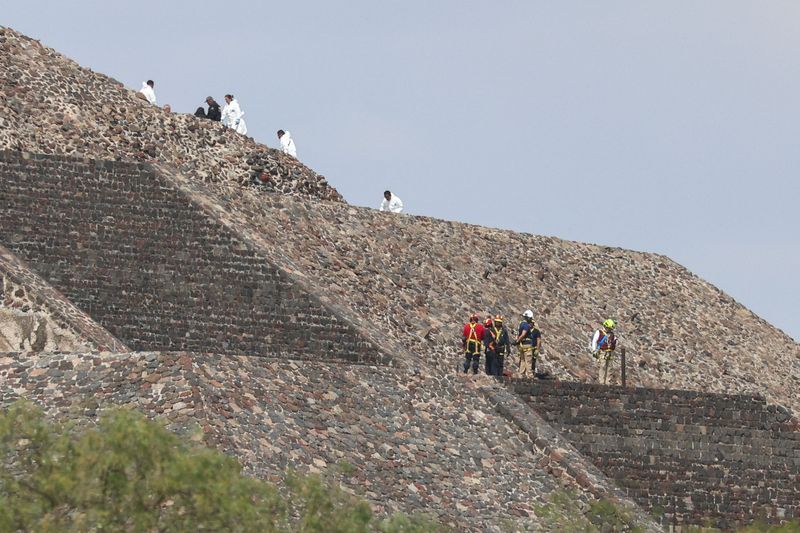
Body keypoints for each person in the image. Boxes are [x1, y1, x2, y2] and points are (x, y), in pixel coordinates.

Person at [591, 319, 618, 385]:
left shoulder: (612, 335)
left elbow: (615, 342)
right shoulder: (599, 332)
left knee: (609, 367)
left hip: (610, 352)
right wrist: (594, 350)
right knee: (602, 366)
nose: (610, 330)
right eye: (609, 328)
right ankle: (602, 382)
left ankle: (608, 382)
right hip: (602, 351)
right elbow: (594, 341)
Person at [516, 310, 542, 378]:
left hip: (526, 346)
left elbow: (538, 340)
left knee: (524, 360)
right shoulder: (526, 326)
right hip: (527, 346)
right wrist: (518, 341)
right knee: (527, 361)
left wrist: (537, 349)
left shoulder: (535, 331)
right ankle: (529, 375)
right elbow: (523, 334)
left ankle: (522, 374)